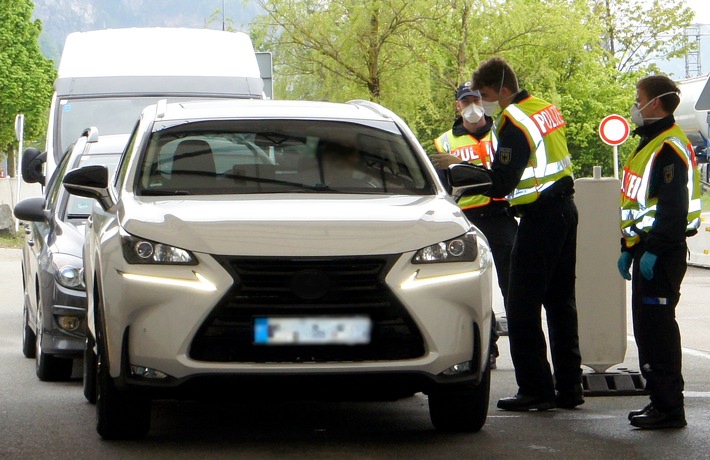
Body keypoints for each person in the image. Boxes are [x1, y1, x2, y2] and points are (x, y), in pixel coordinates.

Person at [469, 56, 584, 411]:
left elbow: (502, 181)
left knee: (521, 304)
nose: (484, 101)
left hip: (540, 218)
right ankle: (569, 388)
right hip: (565, 210)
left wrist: (462, 174)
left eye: (486, 93)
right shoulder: (544, 109)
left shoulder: (512, 121)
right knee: (561, 304)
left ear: (503, 89)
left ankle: (535, 389)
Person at [618, 75, 701, 429]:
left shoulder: (668, 147)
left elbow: (672, 207)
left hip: (660, 255)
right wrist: (627, 247)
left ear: (656, 103)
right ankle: (659, 402)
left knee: (658, 332)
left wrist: (652, 250)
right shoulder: (651, 142)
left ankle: (669, 408)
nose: (636, 106)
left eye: (639, 99)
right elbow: (641, 204)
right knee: (648, 329)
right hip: (646, 251)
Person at [431, 81, 518, 370]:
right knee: (474, 288)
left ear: (484, 102)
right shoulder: (444, 141)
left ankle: (521, 343)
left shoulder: (501, 132)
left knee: (513, 284)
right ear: (458, 105)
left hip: (500, 214)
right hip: (466, 220)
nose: (471, 106)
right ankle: (487, 347)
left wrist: (460, 164)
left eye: (476, 99)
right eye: (466, 101)